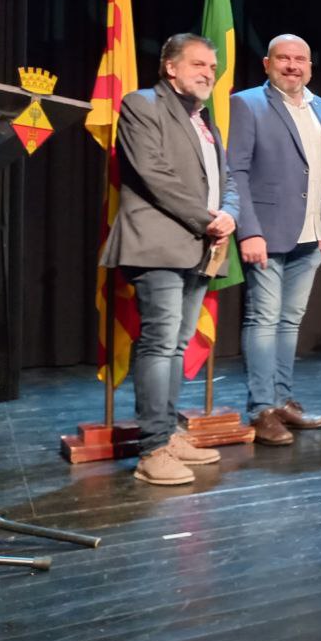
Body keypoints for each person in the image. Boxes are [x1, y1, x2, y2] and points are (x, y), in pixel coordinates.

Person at [101, 33, 239, 485]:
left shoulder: (205, 120)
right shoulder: (142, 105)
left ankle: (170, 431)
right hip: (157, 244)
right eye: (198, 64)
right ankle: (152, 448)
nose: (208, 73)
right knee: (160, 344)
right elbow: (153, 174)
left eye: (212, 67)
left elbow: (227, 178)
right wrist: (207, 218)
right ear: (170, 68)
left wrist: (230, 214)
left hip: (200, 246)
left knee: (177, 345)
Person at [227, 33, 321, 447]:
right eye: (284, 58)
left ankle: (283, 400)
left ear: (310, 65)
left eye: (300, 59)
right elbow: (235, 170)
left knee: (290, 322)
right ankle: (261, 409)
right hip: (266, 235)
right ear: (267, 63)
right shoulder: (247, 103)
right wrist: (249, 229)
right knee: (263, 320)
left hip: (310, 236)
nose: (292, 66)